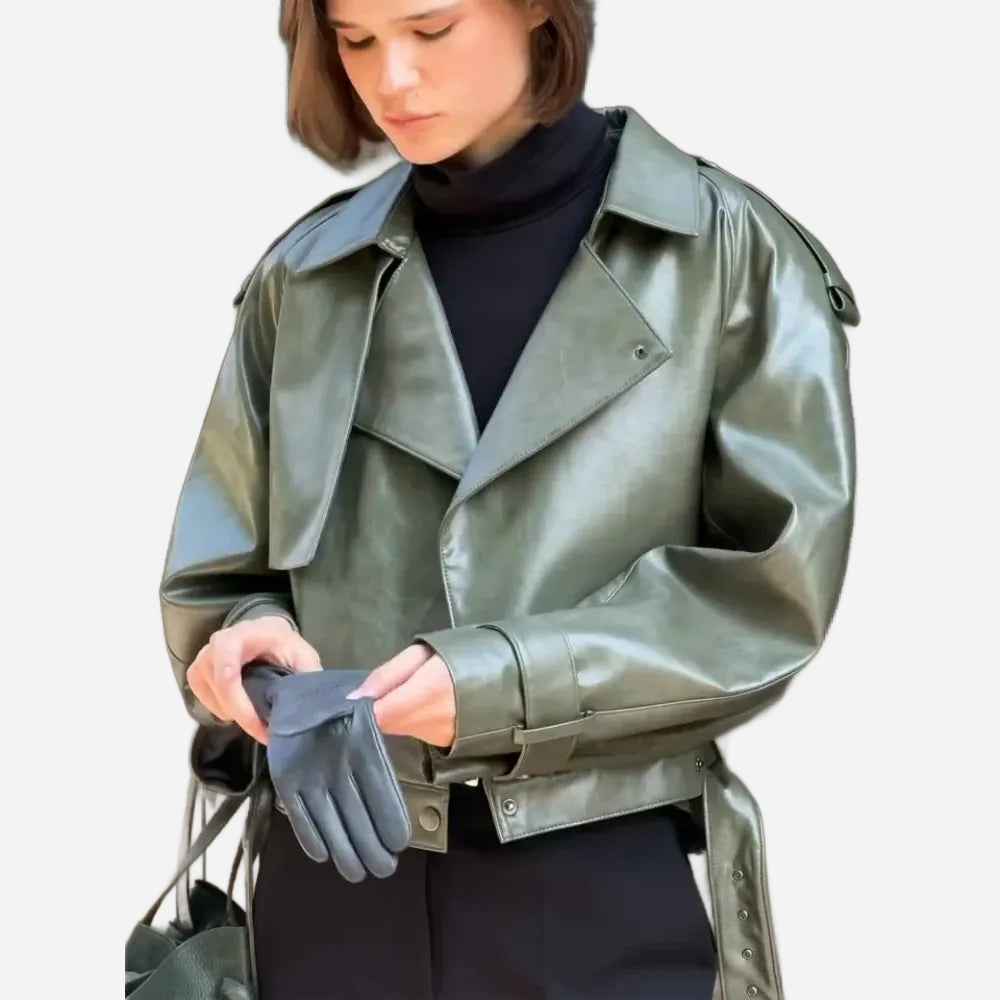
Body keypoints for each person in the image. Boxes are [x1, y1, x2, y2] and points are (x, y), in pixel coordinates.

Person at [159, 1, 859, 997]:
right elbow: (220, 577)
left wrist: (497, 683)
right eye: (355, 39)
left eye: (430, 28)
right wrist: (247, 650)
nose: (390, 78)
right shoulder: (304, 278)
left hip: (595, 885)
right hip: (329, 886)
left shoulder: (726, 256)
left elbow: (768, 597)